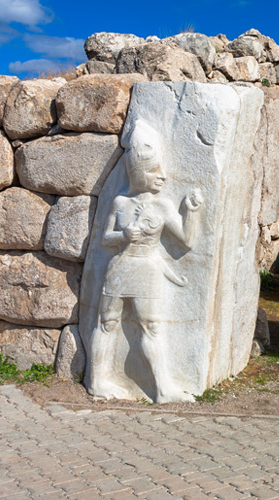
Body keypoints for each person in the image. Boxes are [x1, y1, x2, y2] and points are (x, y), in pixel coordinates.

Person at [88, 119, 203, 403]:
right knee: (107, 323)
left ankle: (163, 389)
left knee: (151, 327)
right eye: (153, 171)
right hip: (119, 268)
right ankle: (96, 381)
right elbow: (106, 238)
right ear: (138, 173)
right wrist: (125, 234)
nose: (161, 176)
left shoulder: (163, 205)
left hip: (147, 269)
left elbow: (187, 240)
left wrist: (193, 212)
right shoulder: (119, 203)